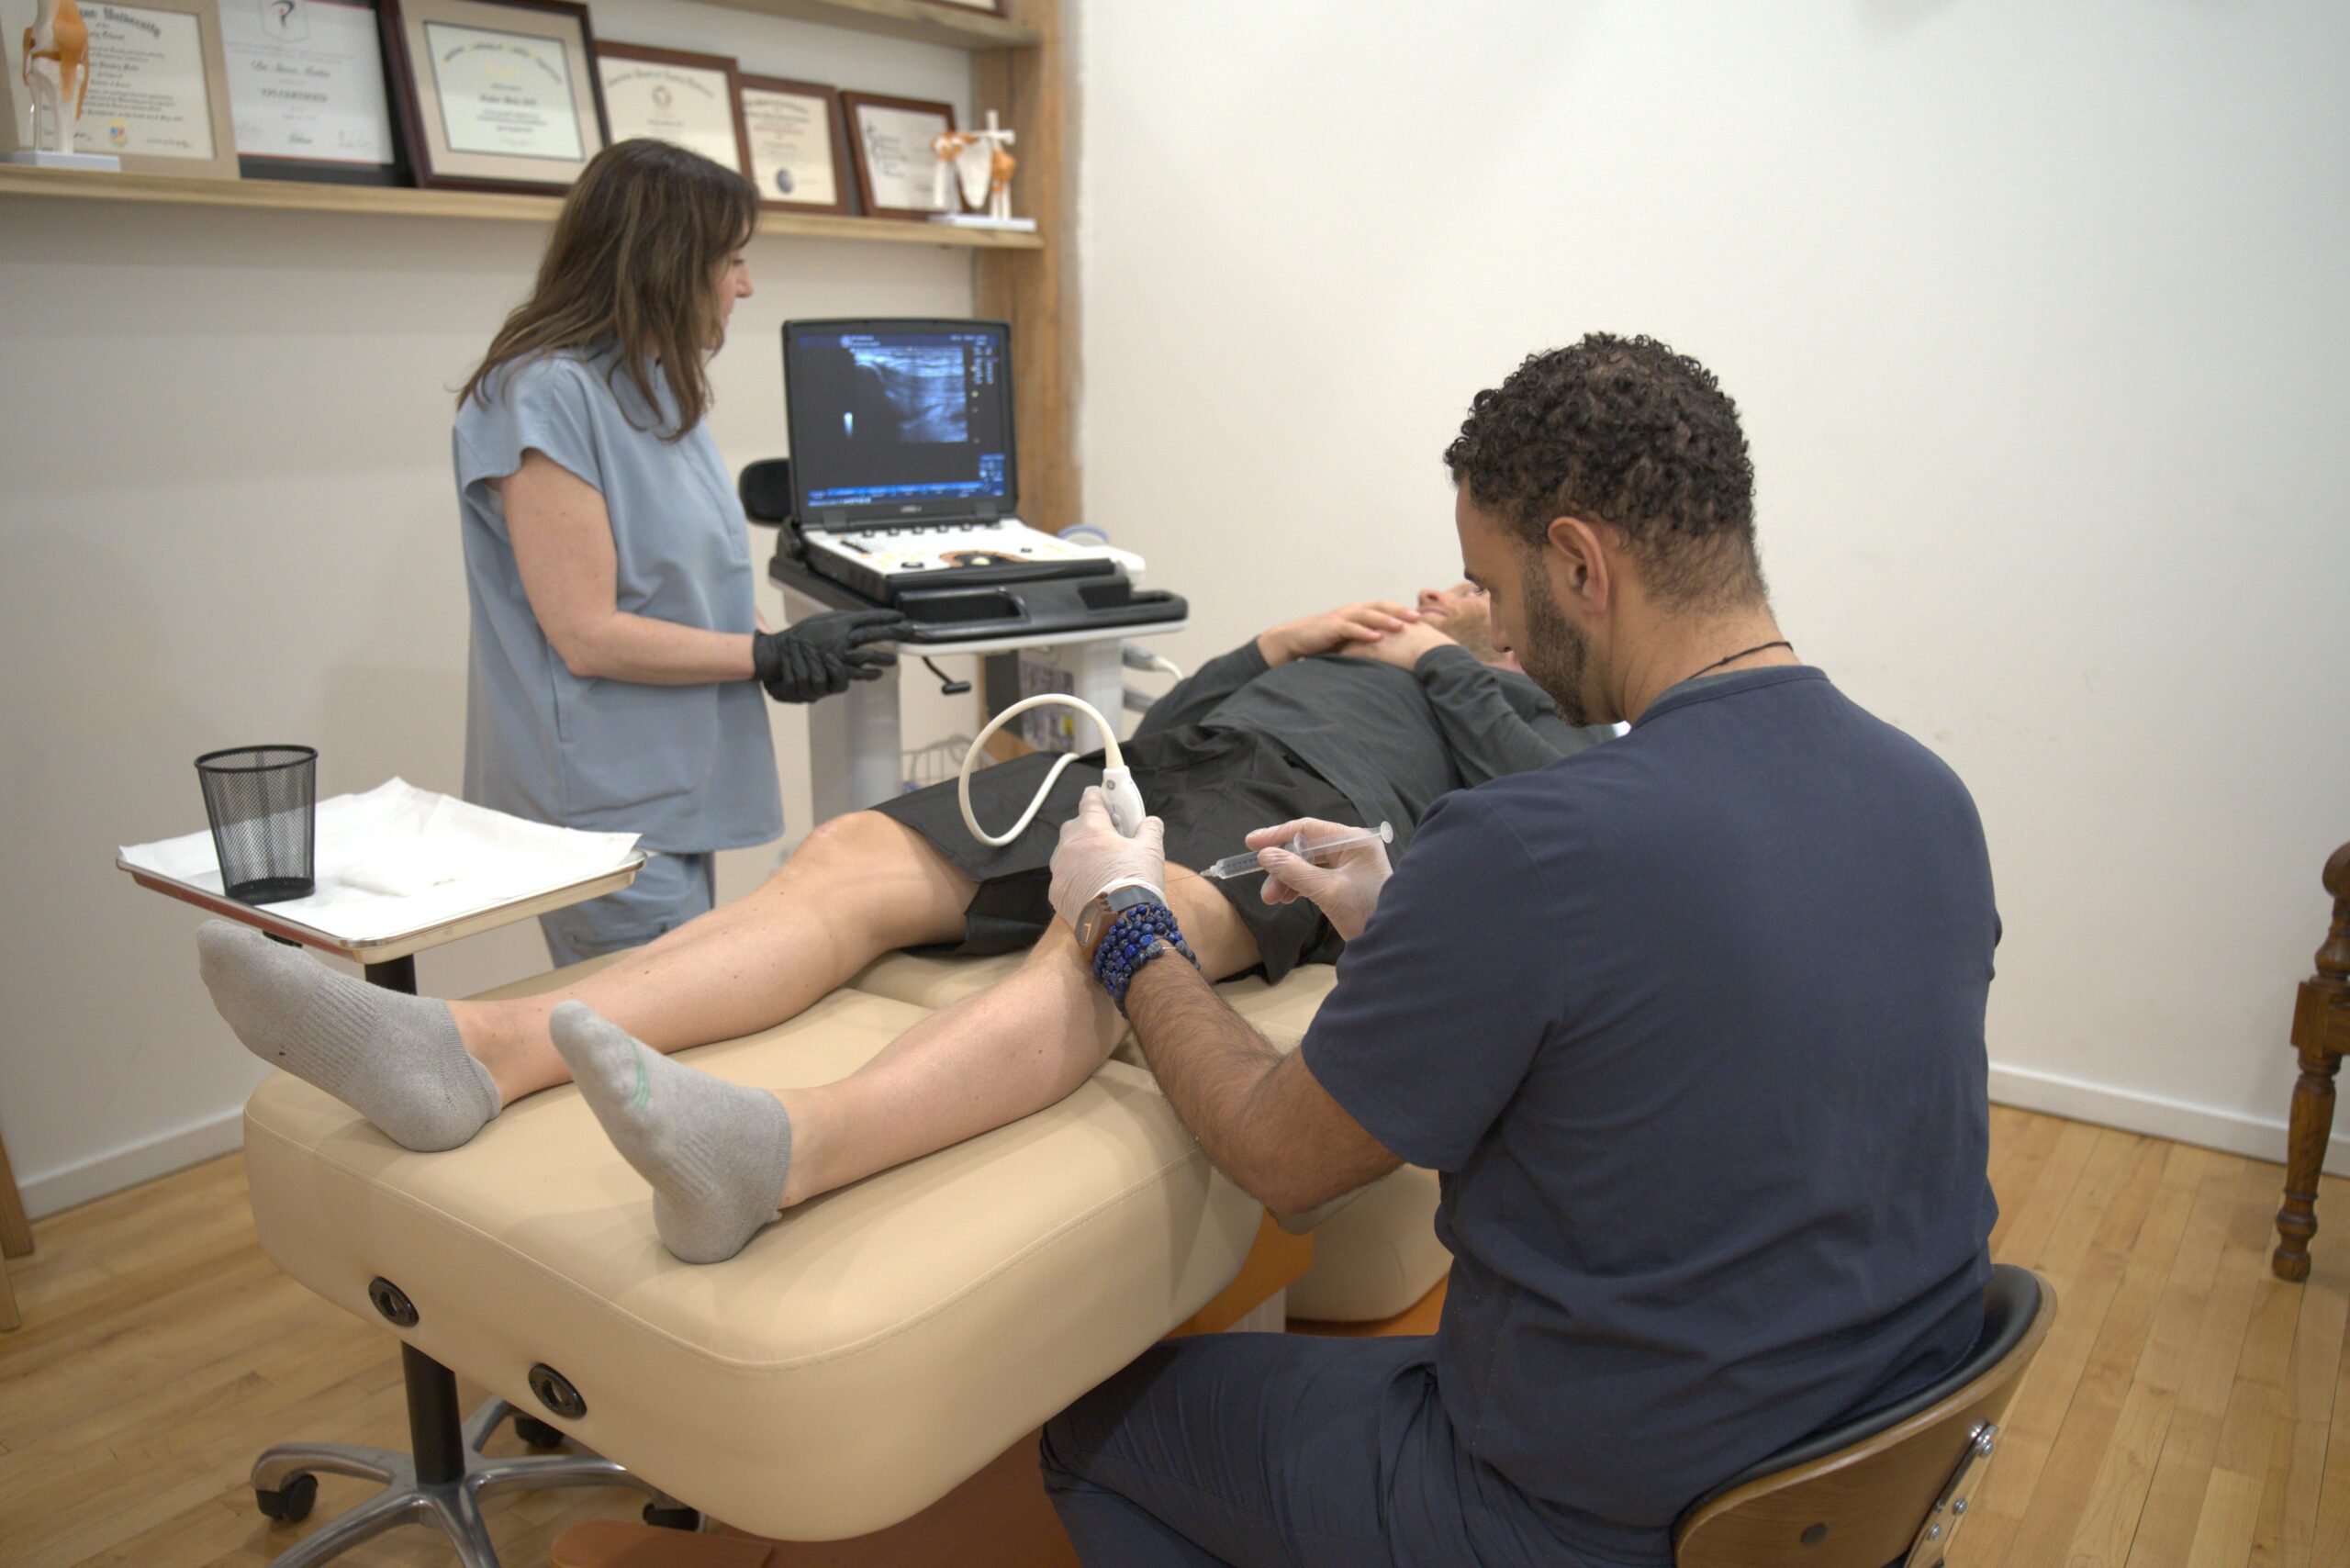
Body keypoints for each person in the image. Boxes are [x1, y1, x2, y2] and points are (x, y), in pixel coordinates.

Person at [1036, 334, 2000, 1566]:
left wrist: (1124, 917)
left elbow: (1286, 1160)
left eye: (1489, 585)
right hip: (1862, 1472)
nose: (1491, 624)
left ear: (1580, 563)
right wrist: (1415, 924)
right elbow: (1696, 1023)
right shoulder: (1930, 797)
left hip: (1597, 1518)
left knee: (1096, 1435)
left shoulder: (1530, 844)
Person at [196, 584, 1613, 1261]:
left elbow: (1556, 782)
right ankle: (474, 1050)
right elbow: (1172, 715)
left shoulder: (1509, 700)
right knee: (847, 858)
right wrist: (1271, 645)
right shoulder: (1331, 650)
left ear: (1512, 634)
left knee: (1110, 936)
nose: (1436, 591)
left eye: (1469, 593)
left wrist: (1442, 662)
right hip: (1145, 759)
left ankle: (784, 1153)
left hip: (1292, 817)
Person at [453, 138, 904, 964]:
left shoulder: (653, 382)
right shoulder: (545, 394)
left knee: (683, 1006)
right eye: (731, 260)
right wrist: (760, 656)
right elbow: (587, 633)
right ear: (665, 261)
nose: (745, 285)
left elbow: (682, 579)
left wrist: (776, 648)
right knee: (651, 1025)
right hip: (605, 808)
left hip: (676, 782)